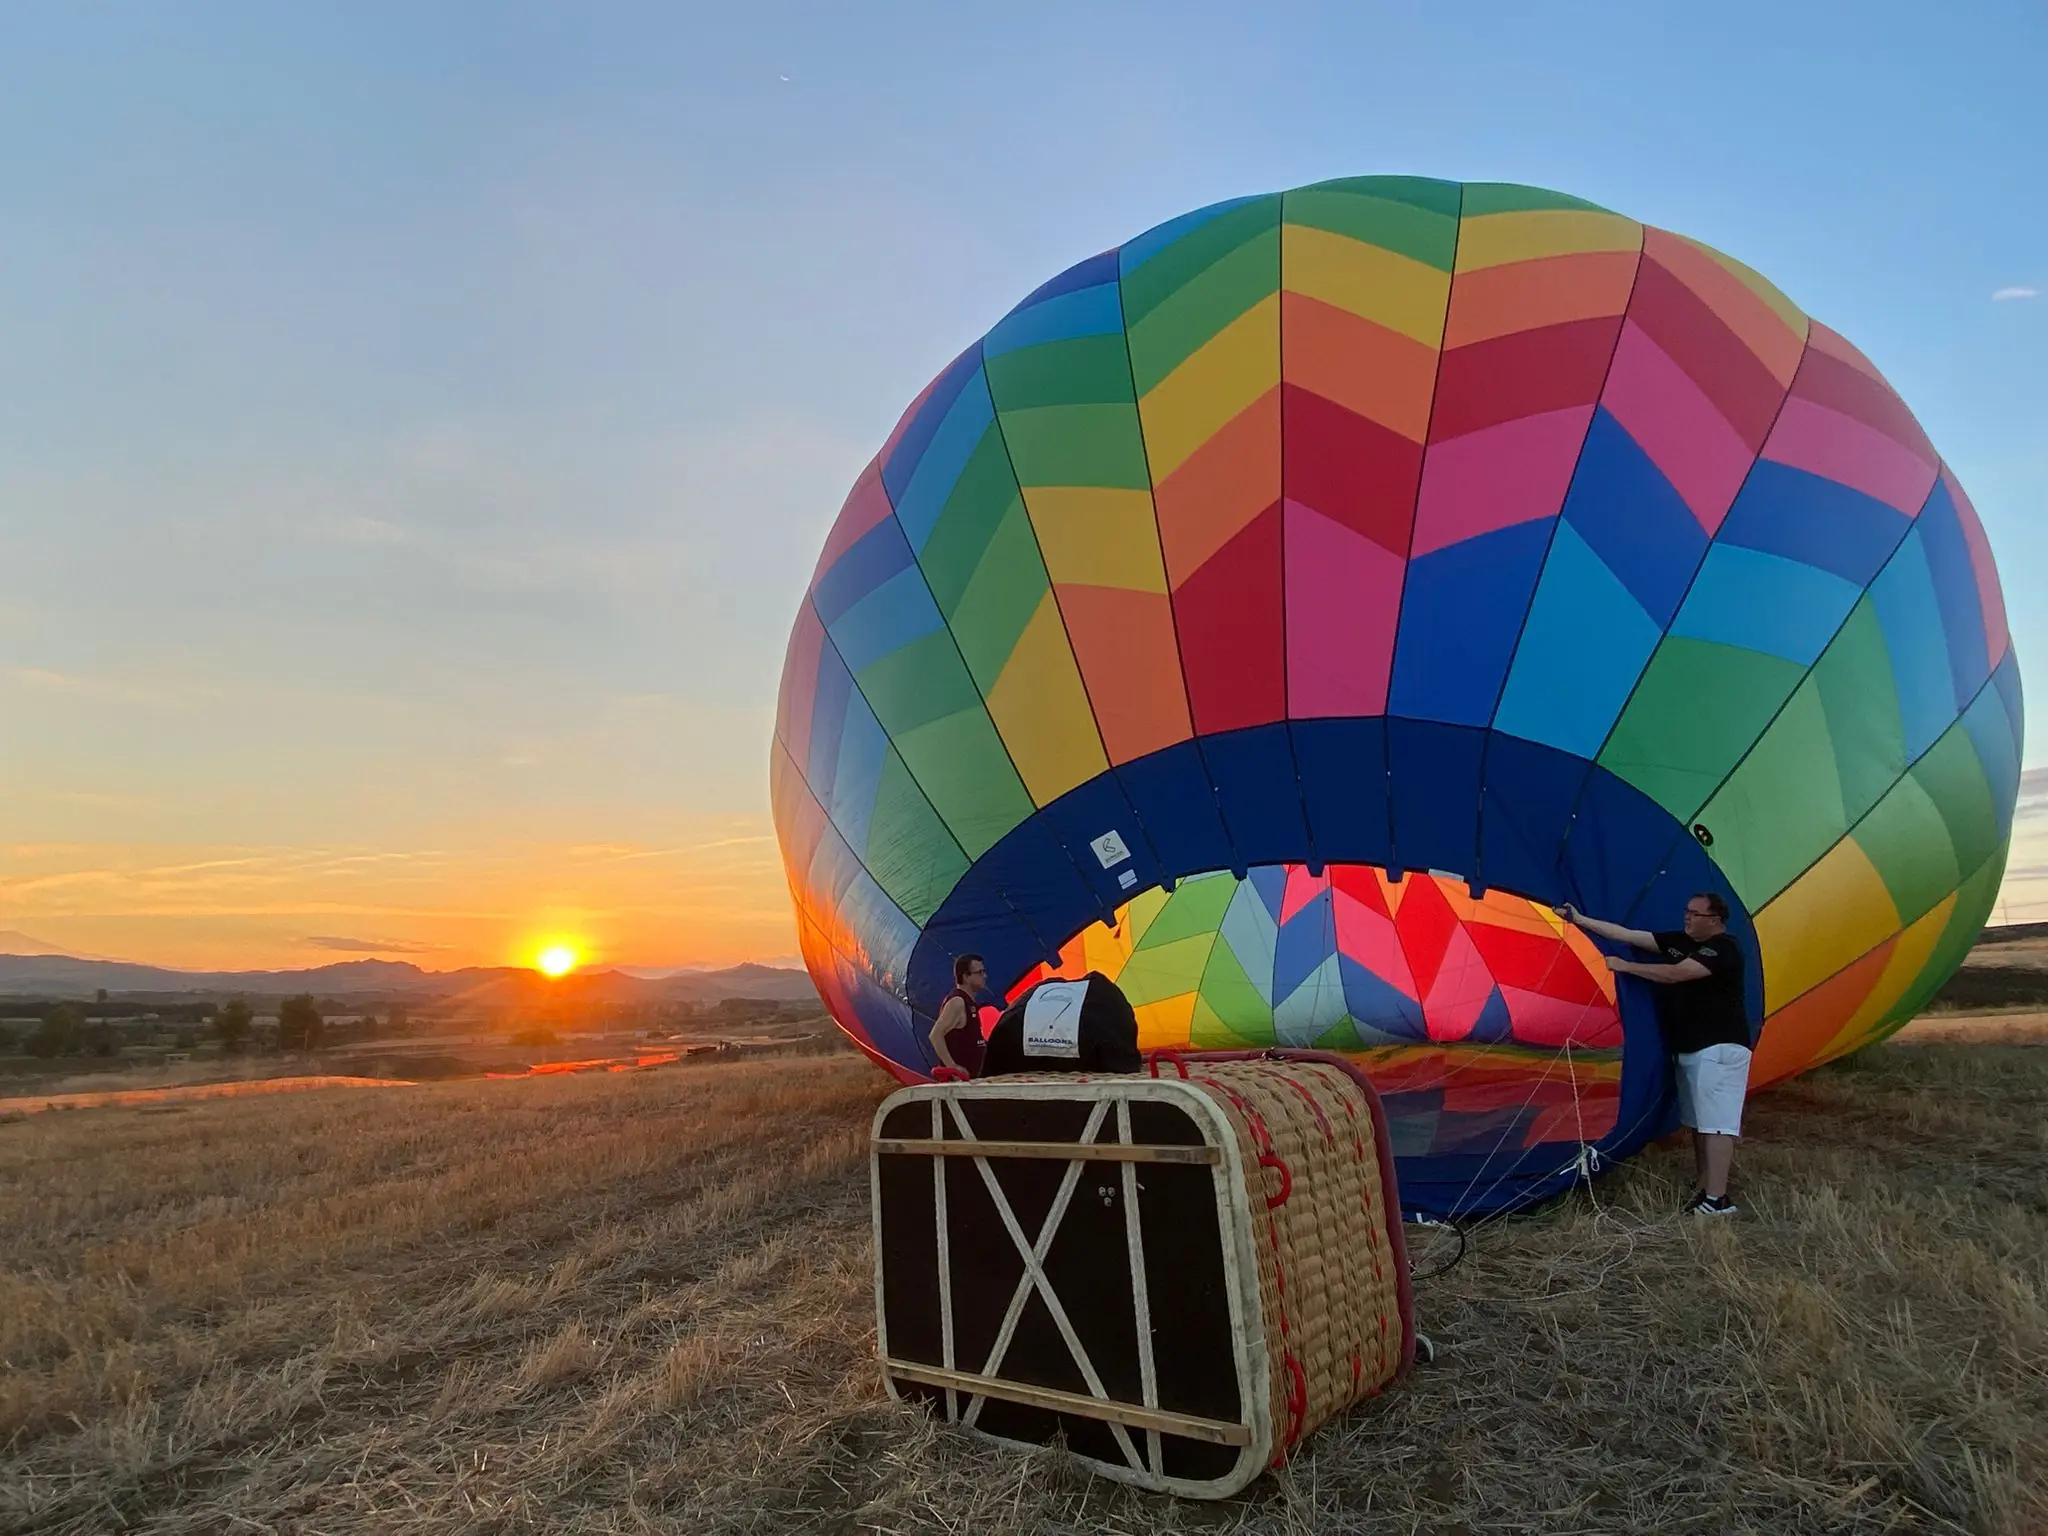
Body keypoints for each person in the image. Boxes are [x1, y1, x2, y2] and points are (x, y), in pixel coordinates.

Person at [1555, 894, 1751, 1217]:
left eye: (1695, 913)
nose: (1687, 918)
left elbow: (1677, 974)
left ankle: (1718, 1199)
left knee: (1717, 1125)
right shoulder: (1677, 941)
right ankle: (1705, 1187)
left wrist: (1625, 967)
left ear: (1715, 919)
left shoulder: (1724, 949)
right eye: (1686, 911)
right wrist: (1580, 920)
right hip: (1692, 1048)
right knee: (1700, 1124)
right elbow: (1627, 935)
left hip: (1720, 1047)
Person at [928, 953, 988, 1077]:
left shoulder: (969, 1003)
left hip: (972, 1081)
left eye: (984, 971)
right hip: (960, 1085)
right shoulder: (957, 1002)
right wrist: (952, 1067)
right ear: (966, 976)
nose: (985, 976)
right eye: (980, 972)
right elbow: (935, 1035)